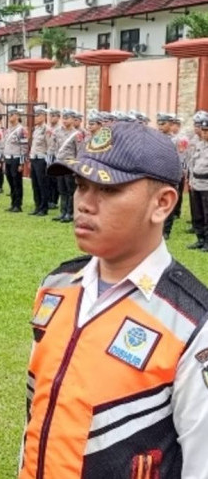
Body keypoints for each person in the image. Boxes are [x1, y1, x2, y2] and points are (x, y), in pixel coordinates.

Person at [20, 122, 208, 478]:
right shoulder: (57, 287)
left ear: (162, 203)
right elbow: (38, 414)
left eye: (108, 189)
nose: (85, 205)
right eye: (80, 186)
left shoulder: (191, 323)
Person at [53, 109, 84, 223]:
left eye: (68, 118)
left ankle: (70, 213)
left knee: (70, 189)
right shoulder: (58, 131)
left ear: (73, 119)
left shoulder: (77, 134)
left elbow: (79, 151)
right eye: (64, 118)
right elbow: (54, 147)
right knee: (61, 189)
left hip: (70, 164)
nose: (65, 121)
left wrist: (77, 167)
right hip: (60, 163)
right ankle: (62, 212)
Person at [187, 118, 208, 251]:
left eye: (207, 131)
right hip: (196, 183)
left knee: (207, 215)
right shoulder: (199, 145)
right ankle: (200, 238)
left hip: (207, 185)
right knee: (198, 214)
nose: (205, 134)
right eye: (204, 131)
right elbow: (192, 164)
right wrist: (190, 181)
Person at [2, 108, 28, 213]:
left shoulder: (21, 130)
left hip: (16, 159)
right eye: (9, 114)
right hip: (8, 158)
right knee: (11, 182)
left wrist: (21, 162)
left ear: (17, 116)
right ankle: (13, 203)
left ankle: (18, 204)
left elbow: (24, 147)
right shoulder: (8, 130)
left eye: (12, 115)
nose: (10, 117)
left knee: (17, 182)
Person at [29, 106, 52, 216]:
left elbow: (50, 147)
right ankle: (37, 206)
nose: (35, 118)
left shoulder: (46, 130)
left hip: (42, 160)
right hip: (34, 158)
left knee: (42, 184)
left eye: (38, 116)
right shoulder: (36, 129)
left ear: (43, 116)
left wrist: (48, 163)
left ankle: (44, 208)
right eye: (35, 115)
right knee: (35, 184)